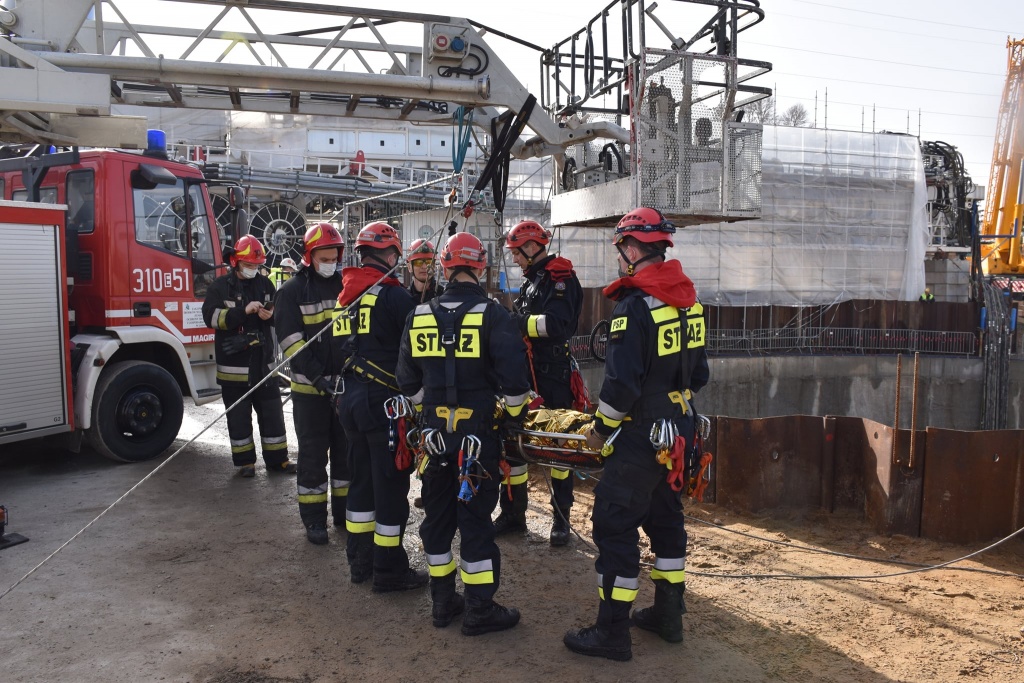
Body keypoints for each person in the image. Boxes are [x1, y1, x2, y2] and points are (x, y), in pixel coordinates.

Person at [564, 207, 709, 661]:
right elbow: (699, 374)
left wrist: (600, 428)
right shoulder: (689, 301)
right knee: (666, 518)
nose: (619, 258)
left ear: (631, 249)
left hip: (643, 433)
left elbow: (621, 386)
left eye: (620, 249)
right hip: (681, 428)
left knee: (614, 521)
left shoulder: (632, 307)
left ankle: (611, 633)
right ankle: (668, 615)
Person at [396, 232, 531, 635]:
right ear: (481, 267)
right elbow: (516, 387)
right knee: (475, 521)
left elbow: (406, 380)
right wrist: (510, 419)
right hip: (477, 439)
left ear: (445, 267)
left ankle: (442, 603)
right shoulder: (494, 315)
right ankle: (479, 610)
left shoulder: (419, 315)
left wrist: (429, 414)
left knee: (436, 520)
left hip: (434, 440)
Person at [333, 222, 426, 592]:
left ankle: (360, 562)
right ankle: (388, 571)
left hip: (350, 400)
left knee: (361, 483)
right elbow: (416, 352)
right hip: (382, 405)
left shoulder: (347, 297)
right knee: (389, 488)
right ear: (389, 255)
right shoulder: (393, 296)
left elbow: (342, 347)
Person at [498, 220, 584, 546]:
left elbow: (557, 324)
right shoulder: (532, 280)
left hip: (552, 374)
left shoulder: (560, 279)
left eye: (517, 253)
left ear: (532, 247)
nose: (515, 259)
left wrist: (516, 323)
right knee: (514, 439)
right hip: (523, 371)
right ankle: (513, 513)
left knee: (559, 445)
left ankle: (561, 519)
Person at [274, 223, 349, 545]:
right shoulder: (291, 292)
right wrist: (319, 379)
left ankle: (346, 515)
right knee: (313, 458)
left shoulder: (348, 286)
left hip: (345, 389)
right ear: (310, 256)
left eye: (334, 256)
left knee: (347, 456)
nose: (330, 261)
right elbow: (292, 344)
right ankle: (314, 520)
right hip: (309, 392)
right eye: (324, 256)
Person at [202, 235, 295, 478]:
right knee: (239, 417)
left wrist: (270, 315)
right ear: (235, 262)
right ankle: (245, 463)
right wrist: (243, 311)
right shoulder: (219, 287)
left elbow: (279, 314)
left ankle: (279, 460)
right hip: (234, 368)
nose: (253, 269)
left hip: (263, 365)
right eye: (249, 265)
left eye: (256, 265)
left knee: (273, 414)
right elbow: (211, 318)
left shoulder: (265, 285)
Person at [406, 238, 445, 303]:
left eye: (429, 262)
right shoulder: (404, 297)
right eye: (418, 262)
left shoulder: (442, 296)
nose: (424, 267)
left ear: (434, 265)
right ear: (409, 267)